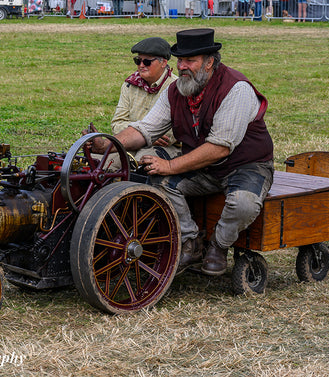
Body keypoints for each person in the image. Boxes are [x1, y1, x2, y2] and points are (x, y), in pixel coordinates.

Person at [87, 29, 274, 276]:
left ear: (209, 62)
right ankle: (190, 240)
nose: (183, 67)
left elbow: (220, 147)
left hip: (246, 165)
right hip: (204, 167)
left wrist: (171, 166)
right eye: (180, 60)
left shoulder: (235, 89)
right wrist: (110, 144)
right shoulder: (176, 90)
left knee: (243, 205)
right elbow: (145, 129)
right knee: (152, 178)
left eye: (190, 61)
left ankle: (218, 245)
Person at [108, 37, 181, 170]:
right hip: (130, 142)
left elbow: (174, 133)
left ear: (163, 62)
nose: (141, 65)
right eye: (138, 60)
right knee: (105, 163)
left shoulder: (176, 87)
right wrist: (140, 135)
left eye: (147, 61)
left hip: (165, 147)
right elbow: (117, 123)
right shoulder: (129, 85)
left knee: (140, 164)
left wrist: (146, 135)